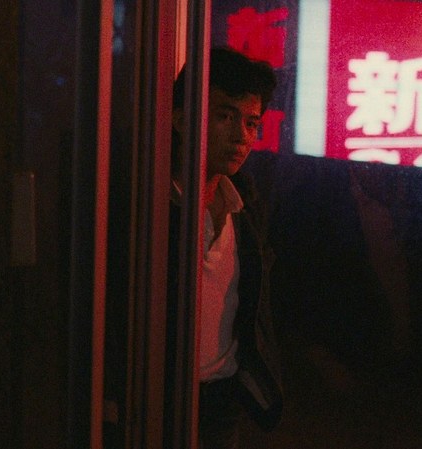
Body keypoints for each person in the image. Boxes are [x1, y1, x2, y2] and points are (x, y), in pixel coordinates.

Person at [167, 46, 283, 449]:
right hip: (158, 393)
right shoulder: (151, 207)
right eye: (225, 116)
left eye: (252, 123)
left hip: (222, 397)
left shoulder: (244, 208)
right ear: (181, 119)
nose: (241, 136)